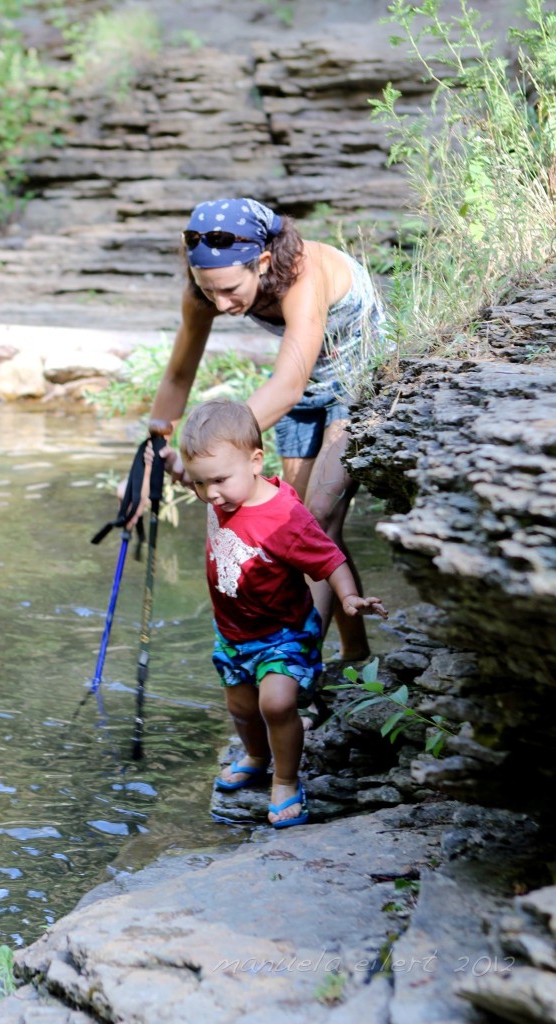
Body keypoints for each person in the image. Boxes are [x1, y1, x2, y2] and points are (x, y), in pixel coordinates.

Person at [145, 197, 387, 708]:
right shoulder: (205, 289)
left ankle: (300, 667)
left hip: (356, 384)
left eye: (231, 290)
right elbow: (178, 373)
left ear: (260, 262)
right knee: (294, 525)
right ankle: (357, 653)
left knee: (314, 520)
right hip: (300, 390)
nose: (222, 304)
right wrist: (158, 439)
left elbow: (289, 382)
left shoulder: (304, 274)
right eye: (209, 290)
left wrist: (213, 452)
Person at [178, 399, 388, 828]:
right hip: (234, 632)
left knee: (275, 704)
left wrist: (348, 597)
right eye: (200, 484)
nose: (209, 494)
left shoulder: (285, 518)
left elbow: (329, 559)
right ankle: (256, 756)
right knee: (240, 706)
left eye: (218, 481)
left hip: (283, 632)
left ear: (256, 461)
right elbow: (200, 475)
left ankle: (287, 781)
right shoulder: (220, 493)